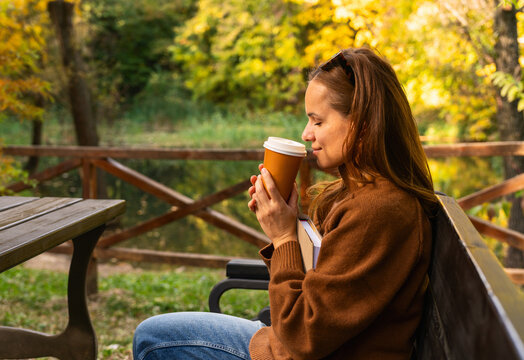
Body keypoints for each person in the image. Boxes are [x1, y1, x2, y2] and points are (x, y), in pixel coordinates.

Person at [132, 47, 439, 360]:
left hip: (295, 349)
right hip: (290, 343)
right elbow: (316, 293)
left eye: (317, 122)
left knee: (153, 338)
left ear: (361, 123)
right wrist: (286, 226)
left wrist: (283, 238)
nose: (306, 134)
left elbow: (302, 338)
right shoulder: (356, 195)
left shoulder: (379, 211)